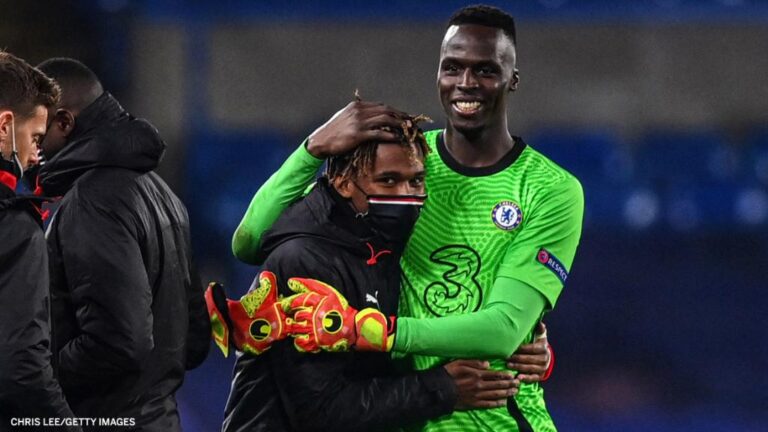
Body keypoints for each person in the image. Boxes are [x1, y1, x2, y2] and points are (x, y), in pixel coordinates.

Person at [230, 5, 582, 431]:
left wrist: (375, 331)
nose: (466, 84)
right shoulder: (403, 165)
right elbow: (252, 240)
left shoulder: (550, 189)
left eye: (485, 70)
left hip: (493, 418)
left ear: (513, 79)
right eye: (452, 68)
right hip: (404, 411)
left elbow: (505, 329)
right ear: (437, 73)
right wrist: (312, 149)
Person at [216, 117, 526, 431]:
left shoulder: (388, 246)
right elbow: (320, 413)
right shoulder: (304, 262)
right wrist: (442, 388)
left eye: (416, 181)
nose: (405, 195)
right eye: (388, 181)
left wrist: (526, 345)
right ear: (343, 182)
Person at [36, 57, 210, 431]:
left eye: (38, 131)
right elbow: (194, 340)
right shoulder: (163, 193)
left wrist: (37, 374)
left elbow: (119, 342)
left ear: (65, 122)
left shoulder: (92, 199)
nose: (33, 147)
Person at [0, 51, 81, 431]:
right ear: (5, 125)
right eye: (34, 137)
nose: (36, 155)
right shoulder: (14, 227)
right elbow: (23, 368)